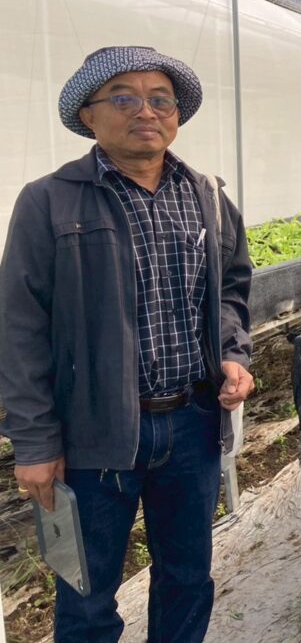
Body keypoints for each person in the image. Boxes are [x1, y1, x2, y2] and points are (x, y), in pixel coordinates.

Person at [0, 46, 254, 642]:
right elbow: (19, 329)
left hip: (192, 424)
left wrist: (232, 352)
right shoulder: (49, 200)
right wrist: (34, 441)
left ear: (177, 116)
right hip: (93, 437)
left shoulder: (207, 195)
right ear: (88, 116)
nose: (146, 111)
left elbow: (231, 288)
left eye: (160, 99)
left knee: (187, 578)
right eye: (124, 98)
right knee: (87, 599)